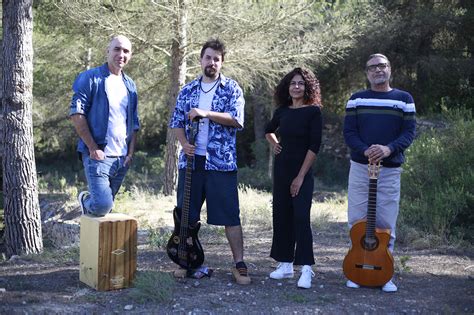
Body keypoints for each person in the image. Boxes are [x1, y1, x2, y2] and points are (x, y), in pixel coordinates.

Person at [169, 38, 250, 285]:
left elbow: (237, 120)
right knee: (187, 215)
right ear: (201, 59)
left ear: (221, 62)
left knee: (229, 216)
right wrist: (184, 144)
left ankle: (239, 264)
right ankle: (187, 261)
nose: (212, 62)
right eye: (208, 57)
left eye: (216, 58)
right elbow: (176, 123)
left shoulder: (231, 89)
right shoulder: (188, 90)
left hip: (221, 163)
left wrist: (206, 113)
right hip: (192, 163)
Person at [343, 53, 416, 292]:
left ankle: (385, 273)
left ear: (389, 69)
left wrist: (388, 149)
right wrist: (366, 151)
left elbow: (408, 133)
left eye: (382, 66)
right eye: (372, 67)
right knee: (357, 220)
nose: (377, 70)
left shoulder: (404, 99)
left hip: (390, 169)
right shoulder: (356, 99)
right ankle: (356, 268)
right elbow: (349, 133)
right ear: (367, 73)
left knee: (386, 222)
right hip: (361, 167)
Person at [265, 67, 323, 289]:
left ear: (307, 87)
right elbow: (269, 130)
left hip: (302, 172)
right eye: (293, 84)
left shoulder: (313, 112)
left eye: (300, 83)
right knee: (281, 215)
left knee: (300, 217)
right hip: (281, 171)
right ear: (287, 88)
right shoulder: (282, 111)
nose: (296, 87)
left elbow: (314, 146)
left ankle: (306, 268)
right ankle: (285, 264)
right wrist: (275, 144)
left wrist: (300, 177)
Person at [70, 35, 139, 217]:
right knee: (102, 206)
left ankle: (94, 245)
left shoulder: (130, 84)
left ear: (130, 55)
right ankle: (85, 200)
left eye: (126, 51)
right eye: (117, 49)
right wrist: (93, 148)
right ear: (107, 51)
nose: (121, 54)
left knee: (104, 211)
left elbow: (134, 122)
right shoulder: (90, 78)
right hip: (99, 155)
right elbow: (77, 114)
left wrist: (130, 153)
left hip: (122, 158)